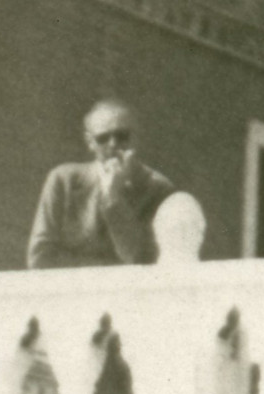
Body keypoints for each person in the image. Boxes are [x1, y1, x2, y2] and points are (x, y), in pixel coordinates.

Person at [28, 101, 175, 270]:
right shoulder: (62, 181)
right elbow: (39, 258)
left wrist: (113, 200)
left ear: (136, 137)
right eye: (102, 138)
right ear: (90, 142)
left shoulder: (158, 188)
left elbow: (144, 262)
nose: (113, 144)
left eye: (122, 136)